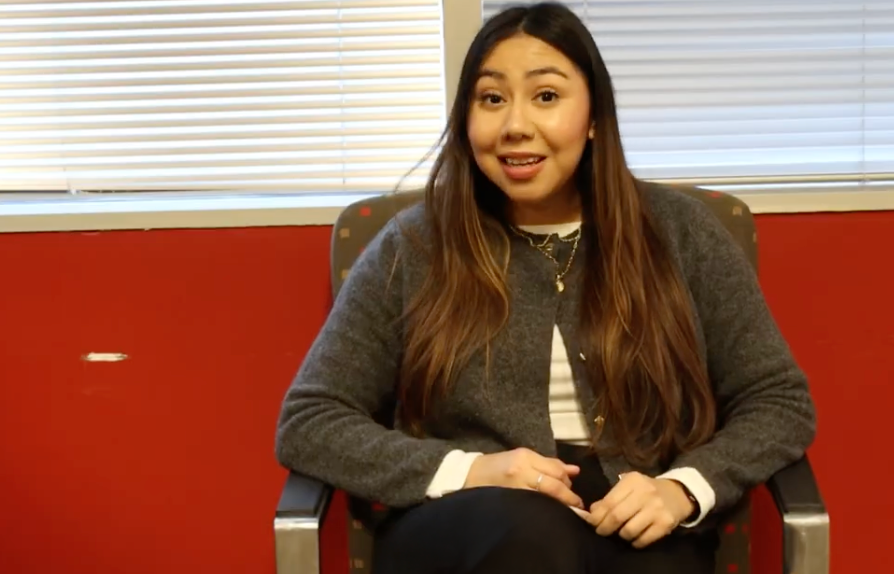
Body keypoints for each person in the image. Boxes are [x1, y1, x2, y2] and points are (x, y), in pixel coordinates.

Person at [275, 2, 816, 572]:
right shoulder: (414, 244)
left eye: (547, 96)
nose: (515, 125)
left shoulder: (681, 232)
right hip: (468, 525)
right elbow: (311, 420)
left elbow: (778, 402)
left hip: (633, 515)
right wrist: (472, 470)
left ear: (594, 118)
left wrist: (683, 487)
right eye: (492, 99)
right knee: (529, 536)